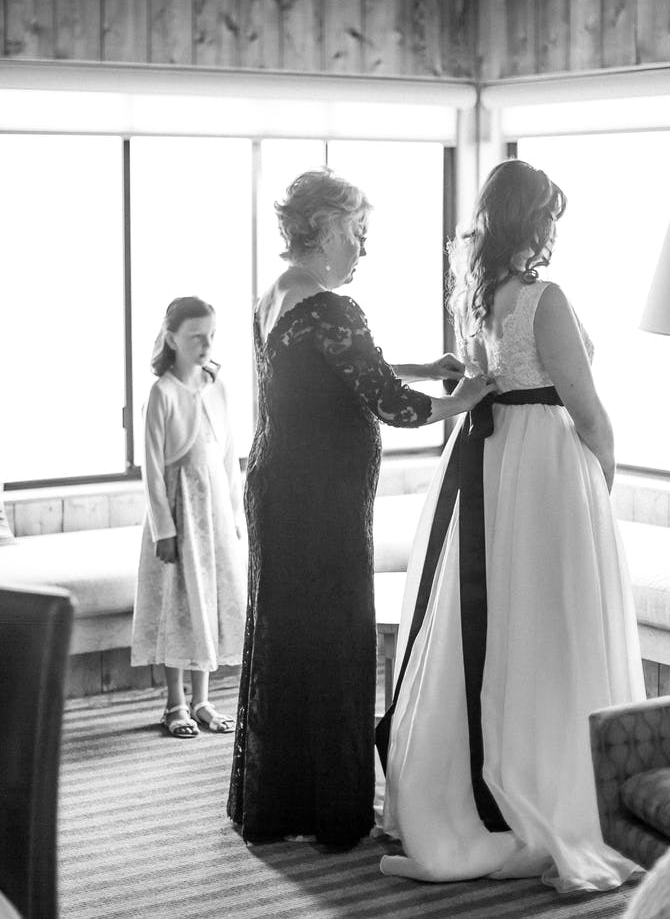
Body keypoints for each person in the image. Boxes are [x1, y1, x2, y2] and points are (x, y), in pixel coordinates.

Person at [379, 159, 646, 891]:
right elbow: (586, 409)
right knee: (552, 624)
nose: (555, 228)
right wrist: (604, 479)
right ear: (535, 221)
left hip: (492, 462)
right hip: (549, 468)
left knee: (498, 628)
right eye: (551, 215)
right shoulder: (544, 297)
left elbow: (477, 381)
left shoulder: (482, 296)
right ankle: (550, 788)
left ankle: (480, 784)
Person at [227, 168, 494, 848]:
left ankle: (281, 800)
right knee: (332, 636)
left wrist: (418, 368)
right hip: (321, 500)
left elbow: (337, 371)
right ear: (319, 229)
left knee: (286, 635)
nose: (362, 247)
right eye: (355, 231)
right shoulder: (331, 309)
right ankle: (332, 810)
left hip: (280, 484)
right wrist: (459, 400)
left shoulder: (279, 295)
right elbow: (384, 401)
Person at [131, 296, 247, 738]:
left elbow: (229, 456)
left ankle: (202, 701)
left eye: (211, 335)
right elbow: (153, 471)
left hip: (213, 511)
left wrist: (234, 516)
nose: (205, 344)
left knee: (210, 600)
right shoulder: (162, 393)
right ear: (172, 337)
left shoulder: (217, 386)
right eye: (196, 336)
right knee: (179, 603)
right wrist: (165, 529)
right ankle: (175, 703)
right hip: (179, 515)